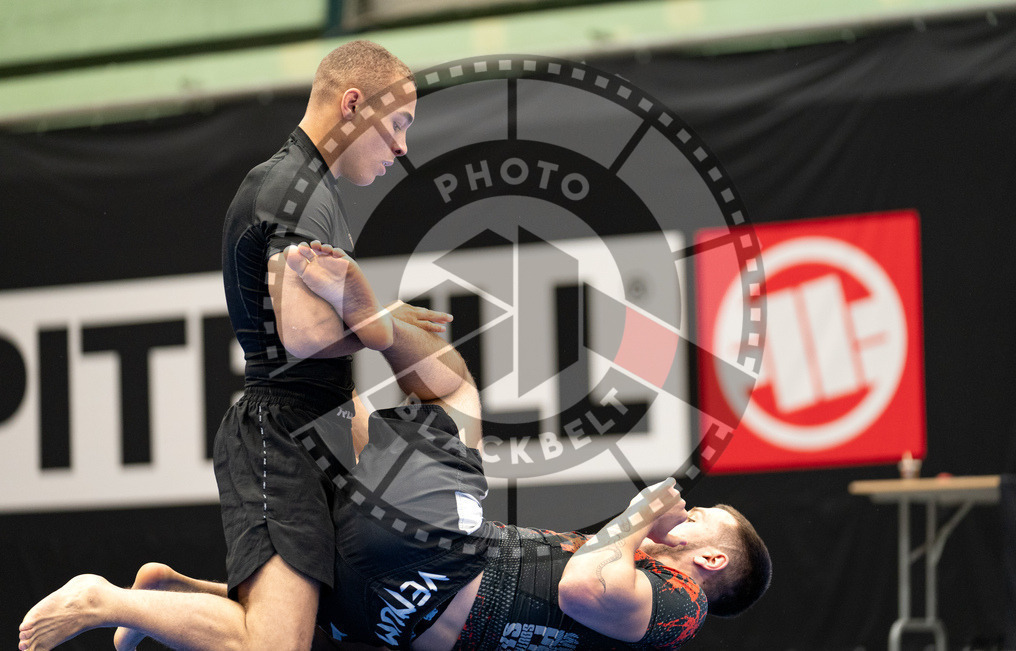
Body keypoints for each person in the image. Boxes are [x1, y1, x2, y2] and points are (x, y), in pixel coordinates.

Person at [20, 298, 771, 651]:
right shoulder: (644, 573)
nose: (692, 508)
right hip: (388, 614)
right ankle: (156, 597)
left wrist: (641, 513)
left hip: (430, 561)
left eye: (707, 517)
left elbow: (586, 587)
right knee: (271, 636)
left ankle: (365, 326)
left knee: (453, 395)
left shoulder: (680, 603)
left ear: (711, 559)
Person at [19, 40, 428, 651]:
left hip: (317, 429)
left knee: (323, 622)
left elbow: (323, 350)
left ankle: (166, 596)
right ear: (352, 104)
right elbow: (303, 336)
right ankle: (101, 599)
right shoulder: (291, 192)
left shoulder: (313, 192)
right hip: (280, 439)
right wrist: (380, 321)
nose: (401, 147)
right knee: (275, 645)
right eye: (397, 124)